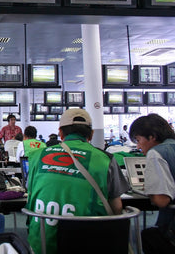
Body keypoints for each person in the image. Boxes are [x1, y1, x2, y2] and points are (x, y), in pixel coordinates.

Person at [26, 108, 129, 254]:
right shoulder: (105, 159)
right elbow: (117, 208)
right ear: (91, 134)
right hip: (89, 244)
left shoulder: (37, 155)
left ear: (60, 133)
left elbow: (30, 192)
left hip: (41, 244)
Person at [129, 114, 175, 252]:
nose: (138, 146)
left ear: (152, 137)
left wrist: (150, 190)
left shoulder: (156, 153)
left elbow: (161, 200)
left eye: (138, 139)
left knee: (148, 236)